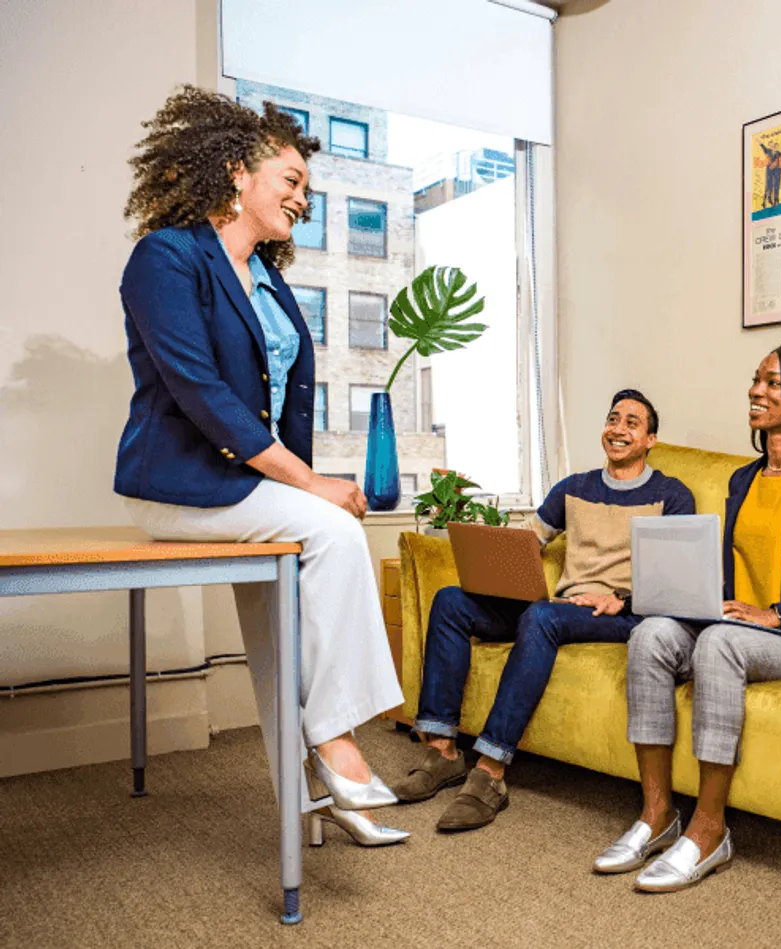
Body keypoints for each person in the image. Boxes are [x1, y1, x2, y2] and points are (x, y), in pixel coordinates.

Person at [114, 86, 408, 847]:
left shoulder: (268, 279)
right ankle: (339, 745)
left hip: (247, 487)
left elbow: (283, 399)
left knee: (285, 625)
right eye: (291, 180)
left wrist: (298, 483)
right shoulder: (166, 258)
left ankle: (322, 798)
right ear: (237, 171)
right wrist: (310, 486)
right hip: (179, 485)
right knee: (335, 535)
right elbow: (202, 393)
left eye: (306, 187)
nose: (302, 198)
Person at [594, 340, 781, 892]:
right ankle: (657, 814)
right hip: (734, 628)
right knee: (650, 635)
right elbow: (727, 582)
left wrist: (775, 614)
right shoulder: (744, 480)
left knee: (718, 644)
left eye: (773, 383)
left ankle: (709, 830)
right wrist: (647, 597)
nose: (755, 390)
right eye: (756, 379)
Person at [393, 391, 696, 831]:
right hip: (563, 608)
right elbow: (528, 541)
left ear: (651, 439)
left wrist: (622, 598)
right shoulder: (573, 488)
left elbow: (676, 576)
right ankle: (442, 751)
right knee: (451, 601)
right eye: (613, 419)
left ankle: (490, 771)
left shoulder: (671, 495)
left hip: (624, 614)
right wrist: (497, 565)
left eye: (632, 423)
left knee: (541, 617)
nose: (618, 429)